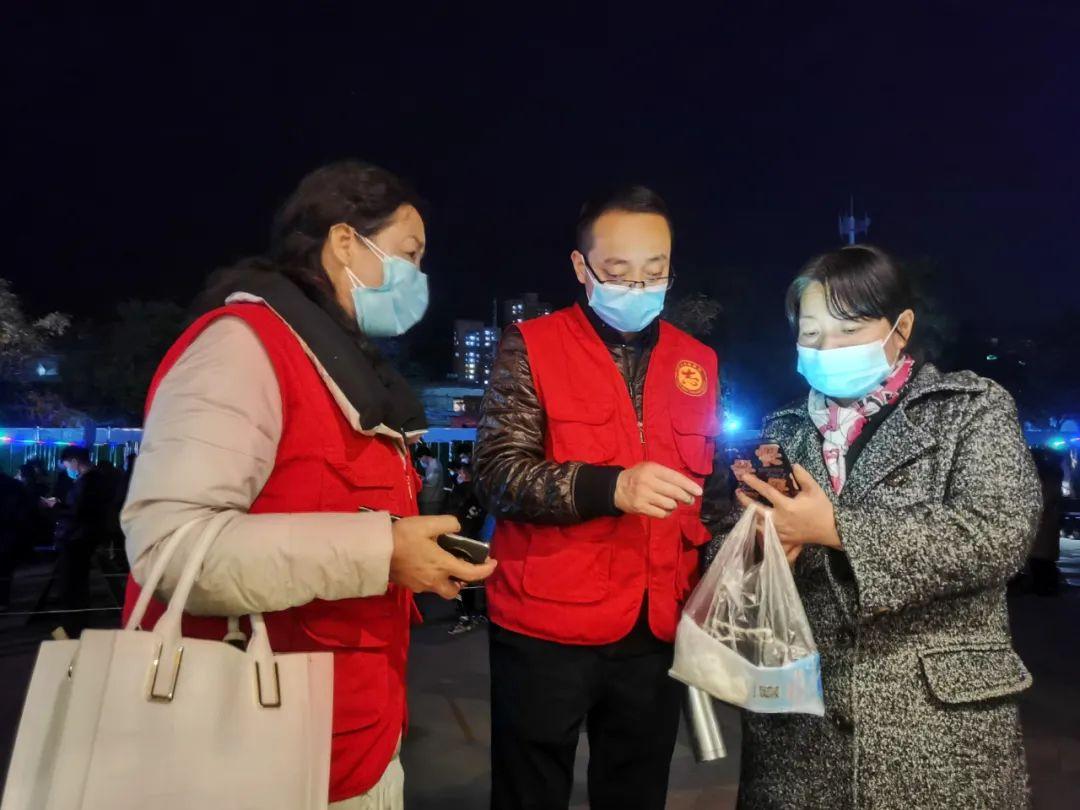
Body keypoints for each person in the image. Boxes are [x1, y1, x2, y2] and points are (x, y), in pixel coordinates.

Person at [121, 161, 497, 809]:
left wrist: (409, 560)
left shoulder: (336, 362)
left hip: (349, 734)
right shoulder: (242, 347)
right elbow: (170, 549)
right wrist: (380, 551)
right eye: (409, 254)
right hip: (253, 751)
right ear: (346, 241)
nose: (418, 277)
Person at [733, 245, 1040, 809]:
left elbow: (999, 530)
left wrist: (838, 529)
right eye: (811, 334)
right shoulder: (782, 428)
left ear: (900, 328)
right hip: (801, 735)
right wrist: (765, 545)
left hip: (938, 727)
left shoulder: (968, 408)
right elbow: (744, 574)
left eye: (849, 329)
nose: (826, 349)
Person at [475, 186, 731, 809]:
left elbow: (711, 490)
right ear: (580, 268)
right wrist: (610, 486)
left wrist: (746, 516)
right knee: (529, 790)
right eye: (617, 272)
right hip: (547, 624)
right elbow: (498, 472)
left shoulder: (697, 360)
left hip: (656, 624)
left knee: (637, 791)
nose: (637, 287)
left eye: (655, 272)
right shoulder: (530, 345)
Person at [53, 446, 116, 635]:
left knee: (72, 584)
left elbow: (78, 512)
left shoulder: (87, 482)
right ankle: (76, 622)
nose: (67, 470)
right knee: (78, 582)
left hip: (76, 538)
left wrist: (56, 507)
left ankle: (74, 625)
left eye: (66, 465)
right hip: (85, 536)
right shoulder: (98, 480)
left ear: (74, 461)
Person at [446, 463, 488, 636]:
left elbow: (449, 512)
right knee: (474, 578)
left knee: (459, 579)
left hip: (459, 538)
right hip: (477, 540)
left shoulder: (461, 491)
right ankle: (476, 613)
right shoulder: (484, 493)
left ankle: (466, 616)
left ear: (464, 473)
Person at [1029, 448, 1064, 595]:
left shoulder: (1047, 477)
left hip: (1044, 520)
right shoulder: (1052, 476)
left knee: (1041, 558)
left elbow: (1046, 498)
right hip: (1046, 522)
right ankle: (1044, 585)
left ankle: (1045, 585)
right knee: (1043, 557)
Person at [416, 447, 447, 515]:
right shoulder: (433, 464)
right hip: (431, 500)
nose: (420, 461)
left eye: (420, 459)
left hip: (431, 501)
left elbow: (432, 482)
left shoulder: (434, 465)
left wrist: (419, 479)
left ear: (424, 456)